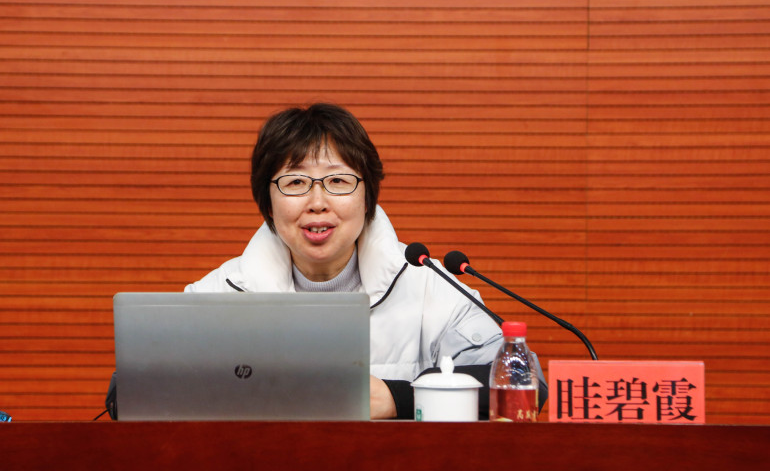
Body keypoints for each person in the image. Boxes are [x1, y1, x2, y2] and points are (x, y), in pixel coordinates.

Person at [183, 102, 529, 419]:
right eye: (296, 182)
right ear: (268, 202)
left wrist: (397, 397)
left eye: (337, 180)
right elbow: (157, 392)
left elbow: (521, 381)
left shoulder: (429, 287)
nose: (317, 202)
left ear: (367, 199)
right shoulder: (218, 296)